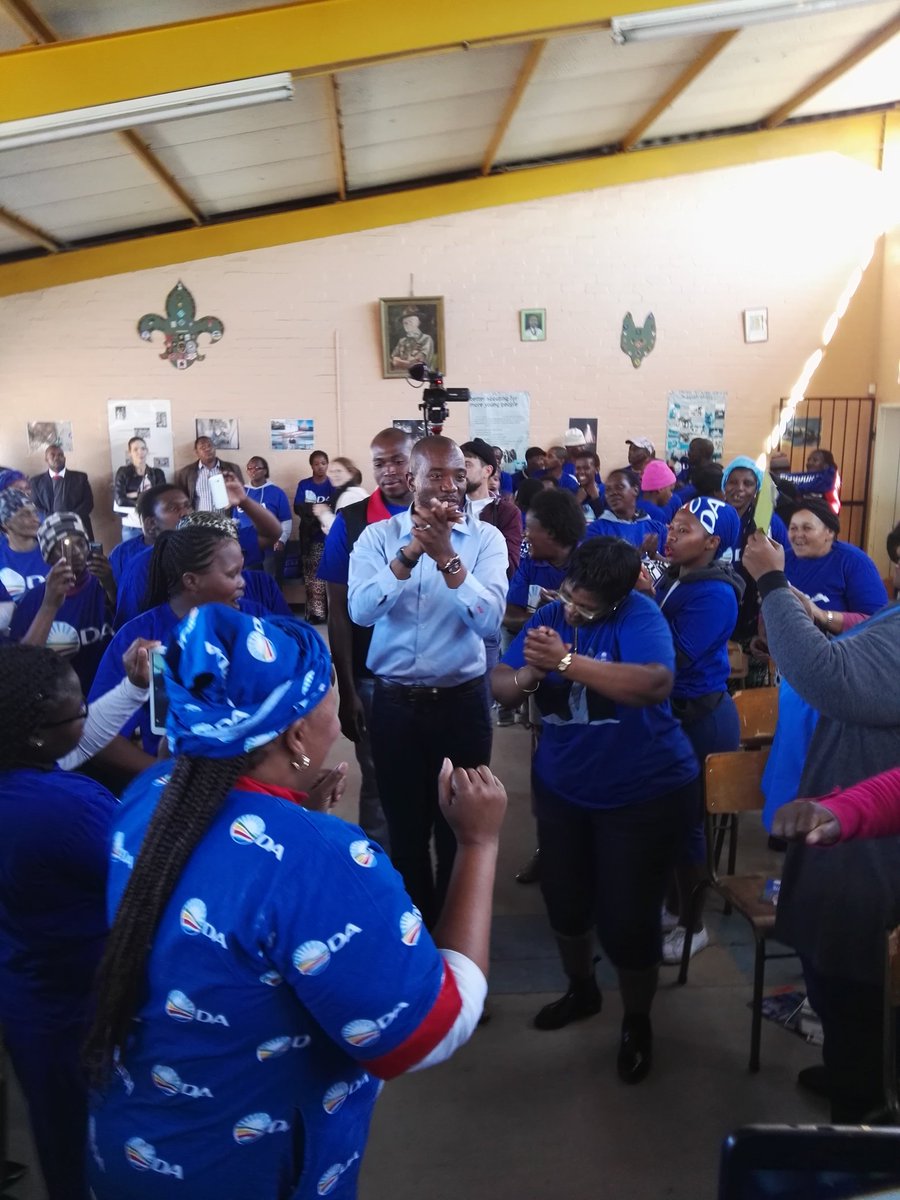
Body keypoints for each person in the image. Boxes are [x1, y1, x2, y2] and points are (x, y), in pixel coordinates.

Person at [84, 603, 506, 1199]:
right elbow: (429, 1033)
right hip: (248, 1175)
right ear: (297, 735)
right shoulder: (320, 858)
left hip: (135, 1153)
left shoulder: (150, 796)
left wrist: (294, 820)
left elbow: (231, 888)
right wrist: (478, 841)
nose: (340, 718)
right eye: (331, 699)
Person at [492, 538, 699, 1082]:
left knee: (629, 920)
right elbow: (502, 686)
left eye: (586, 605)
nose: (572, 610)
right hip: (566, 790)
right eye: (568, 595)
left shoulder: (640, 614)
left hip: (644, 792)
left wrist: (565, 660)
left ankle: (636, 1019)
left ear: (619, 596)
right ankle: (582, 990)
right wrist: (529, 675)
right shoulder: (550, 615)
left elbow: (655, 683)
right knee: (566, 904)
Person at [742, 530, 900, 1123]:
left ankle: (860, 1115)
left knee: (856, 979)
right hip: (854, 816)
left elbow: (825, 675)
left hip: (876, 858)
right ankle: (848, 1072)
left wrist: (773, 583)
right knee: (836, 971)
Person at [348, 436, 507, 926]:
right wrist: (413, 552)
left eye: (459, 475)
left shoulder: (486, 541)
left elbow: (489, 621)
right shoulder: (377, 539)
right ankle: (417, 947)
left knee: (459, 829)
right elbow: (361, 609)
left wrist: (447, 558)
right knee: (406, 830)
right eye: (437, 474)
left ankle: (459, 948)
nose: (451, 486)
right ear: (411, 479)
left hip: (461, 707)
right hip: (395, 705)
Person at [0, 644, 119, 1200]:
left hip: (26, 997)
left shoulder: (24, 785)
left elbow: (84, 740)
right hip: (81, 1005)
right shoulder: (67, 809)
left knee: (60, 1144)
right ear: (36, 734)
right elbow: (153, 880)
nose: (87, 715)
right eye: (78, 711)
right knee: (97, 1148)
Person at [88, 520, 273, 774]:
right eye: (232, 574)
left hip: (254, 780)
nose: (243, 583)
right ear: (191, 581)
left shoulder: (254, 621)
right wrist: (161, 772)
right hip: (178, 785)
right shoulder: (140, 637)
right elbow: (98, 734)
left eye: (241, 571)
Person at [649, 497, 743, 962]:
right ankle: (671, 906)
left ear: (712, 542)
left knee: (690, 828)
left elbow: (675, 655)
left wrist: (644, 601)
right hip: (672, 716)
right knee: (667, 821)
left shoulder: (716, 593)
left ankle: (694, 925)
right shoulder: (676, 577)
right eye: (672, 525)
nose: (670, 533)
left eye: (683, 529)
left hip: (701, 720)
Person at [319, 430, 414, 849]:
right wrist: (348, 689)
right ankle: (384, 882)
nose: (390, 471)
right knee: (378, 784)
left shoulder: (449, 514)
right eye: (380, 463)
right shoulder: (353, 521)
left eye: (399, 460)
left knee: (444, 781)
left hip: (439, 678)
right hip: (374, 676)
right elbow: (337, 612)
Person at [113, 480, 281, 628]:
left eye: (187, 505)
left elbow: (271, 534)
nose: (185, 512)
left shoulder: (217, 542)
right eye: (173, 508)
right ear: (151, 524)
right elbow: (132, 629)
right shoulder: (140, 568)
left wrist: (243, 501)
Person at [10, 514, 115, 694]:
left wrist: (110, 585)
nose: (76, 552)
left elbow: (125, 619)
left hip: (105, 690)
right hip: (59, 698)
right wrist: (49, 604)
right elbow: (21, 661)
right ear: (49, 558)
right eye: (63, 547)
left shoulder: (104, 586)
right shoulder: (34, 601)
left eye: (81, 544)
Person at [504, 489, 585, 636]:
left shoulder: (589, 564)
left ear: (550, 533)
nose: (525, 536)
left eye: (529, 528)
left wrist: (566, 605)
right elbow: (509, 615)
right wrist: (549, 615)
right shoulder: (529, 563)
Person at [585, 468, 668, 553]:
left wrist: (654, 556)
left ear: (635, 490)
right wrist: (640, 553)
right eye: (608, 490)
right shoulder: (596, 530)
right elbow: (594, 564)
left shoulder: (657, 528)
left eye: (619, 487)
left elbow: (672, 564)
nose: (612, 493)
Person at [294, 450, 333, 624]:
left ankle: (333, 612)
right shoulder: (304, 484)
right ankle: (316, 614)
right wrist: (321, 511)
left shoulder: (333, 484)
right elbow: (298, 508)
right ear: (311, 466)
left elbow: (336, 508)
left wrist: (317, 510)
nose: (320, 466)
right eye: (316, 463)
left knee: (331, 576)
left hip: (330, 537)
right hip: (310, 537)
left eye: (323, 463)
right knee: (312, 577)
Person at [237, 456, 292, 571]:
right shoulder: (241, 492)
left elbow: (286, 520)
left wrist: (282, 540)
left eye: (257, 468)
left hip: (271, 546)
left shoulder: (277, 493)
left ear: (265, 471)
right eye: (250, 468)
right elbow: (235, 519)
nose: (253, 471)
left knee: (270, 580)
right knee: (249, 581)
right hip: (247, 547)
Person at [29, 444, 95, 539]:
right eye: (52, 455)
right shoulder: (36, 482)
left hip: (77, 527)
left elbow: (88, 504)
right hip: (49, 529)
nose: (57, 458)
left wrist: (69, 519)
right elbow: (35, 507)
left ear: (64, 458)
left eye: (60, 455)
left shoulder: (80, 478)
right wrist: (54, 520)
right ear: (46, 460)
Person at [113, 437, 165, 542]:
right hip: (131, 527)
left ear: (147, 451)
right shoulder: (123, 472)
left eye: (143, 448)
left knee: (155, 557)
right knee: (132, 557)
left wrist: (133, 495)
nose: (140, 452)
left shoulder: (157, 473)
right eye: (135, 449)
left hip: (154, 526)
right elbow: (120, 500)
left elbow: (161, 498)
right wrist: (145, 498)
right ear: (129, 453)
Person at [0, 488, 47, 603]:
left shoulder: (52, 551)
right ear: (5, 523)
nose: (35, 519)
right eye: (25, 515)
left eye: (35, 512)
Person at [174, 436, 243, 512]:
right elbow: (182, 500)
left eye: (210, 446)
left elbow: (241, 495)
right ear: (197, 452)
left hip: (226, 519)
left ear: (215, 448)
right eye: (202, 448)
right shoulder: (186, 473)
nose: (207, 449)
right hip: (200, 520)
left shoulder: (232, 468)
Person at [771, 447, 841, 515]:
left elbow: (834, 507)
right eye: (808, 460)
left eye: (815, 460)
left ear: (825, 466)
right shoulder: (803, 481)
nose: (809, 463)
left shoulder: (827, 484)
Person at [313, 457, 368, 537]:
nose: (334, 475)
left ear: (350, 473)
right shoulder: (345, 493)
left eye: (339, 471)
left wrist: (324, 513)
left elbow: (343, 531)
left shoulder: (351, 496)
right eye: (331, 471)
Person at [390, 304, 435, 371]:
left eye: (410, 322)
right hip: (401, 376)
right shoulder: (402, 341)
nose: (407, 325)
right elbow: (393, 360)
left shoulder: (426, 339)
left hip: (422, 376)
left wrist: (399, 363)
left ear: (418, 322)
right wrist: (405, 363)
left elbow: (417, 363)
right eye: (405, 323)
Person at [638, 459, 677, 524]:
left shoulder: (634, 506)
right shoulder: (658, 515)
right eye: (671, 490)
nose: (671, 495)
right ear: (660, 489)